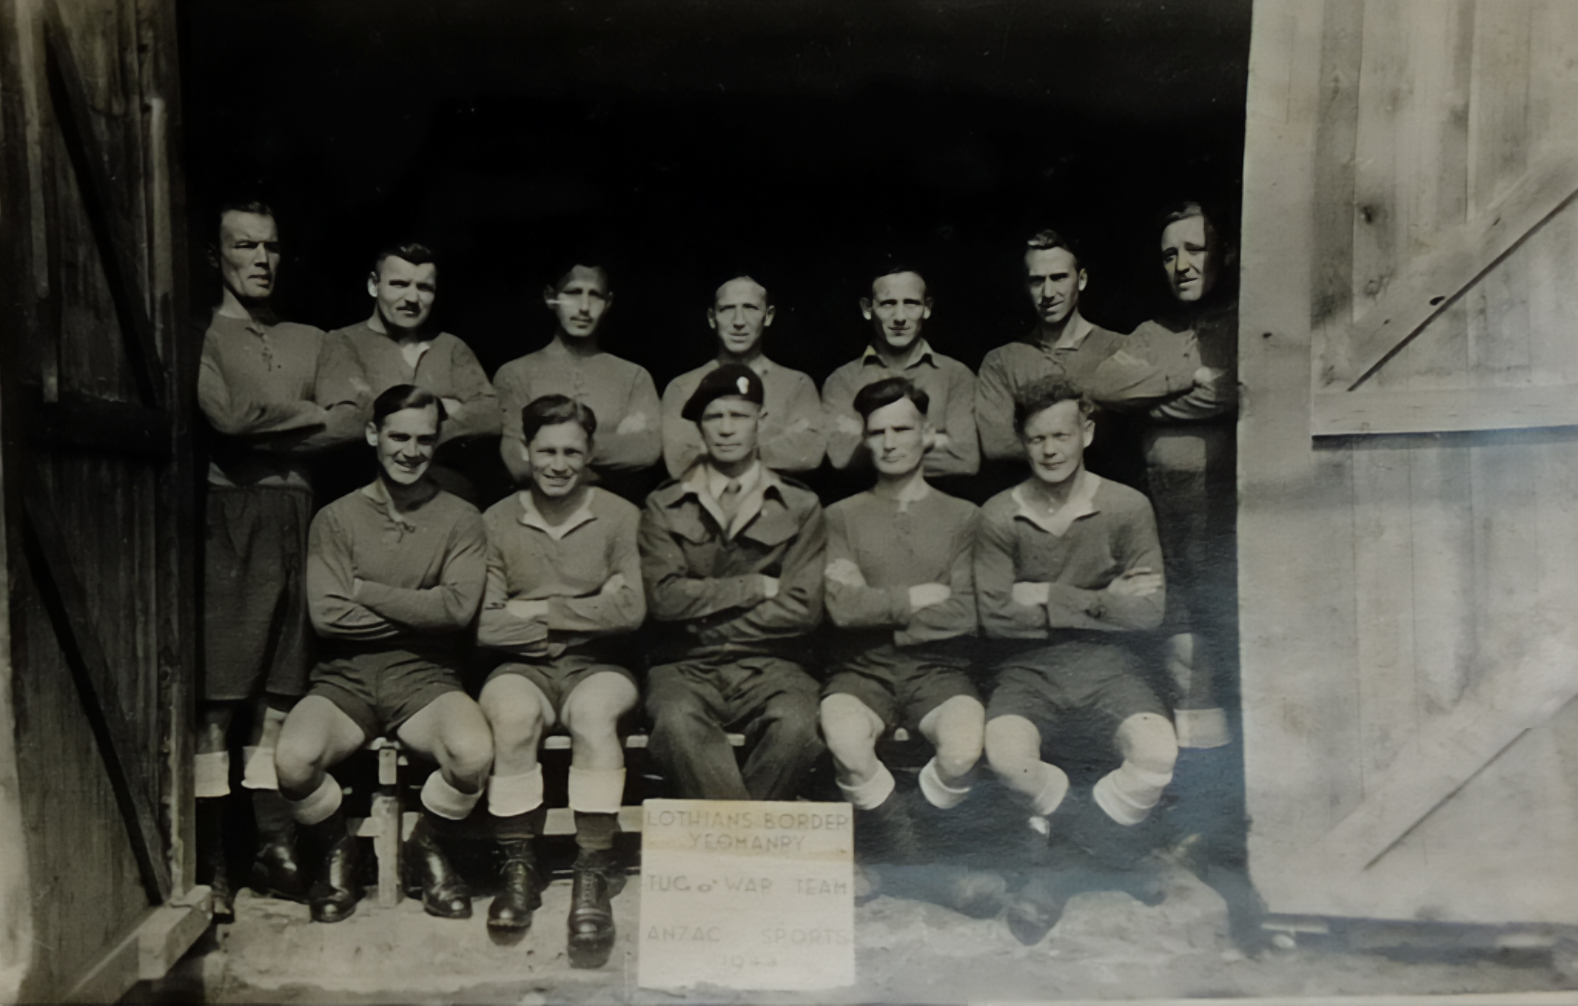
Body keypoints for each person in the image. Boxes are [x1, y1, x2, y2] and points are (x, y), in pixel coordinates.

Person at [1088, 200, 1262, 946]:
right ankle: (1200, 820)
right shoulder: (1154, 333)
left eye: (1195, 249)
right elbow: (1106, 387)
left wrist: (1168, 396)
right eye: (1169, 254)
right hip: (1174, 536)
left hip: (1241, 535)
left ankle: (1249, 832)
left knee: (1250, 669)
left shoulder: (1250, 317)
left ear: (1223, 254)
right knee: (1189, 667)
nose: (1183, 264)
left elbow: (1251, 392)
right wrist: (1194, 375)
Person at [195, 200, 369, 920]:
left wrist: (263, 430)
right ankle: (209, 862)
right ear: (219, 257)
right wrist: (305, 418)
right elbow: (222, 420)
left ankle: (272, 848)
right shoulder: (202, 335)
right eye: (244, 246)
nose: (261, 259)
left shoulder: (313, 336)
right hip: (231, 520)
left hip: (300, 516)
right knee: (219, 702)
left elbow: (355, 421)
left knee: (278, 697)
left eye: (270, 246)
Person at [274, 385, 494, 924]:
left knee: (472, 755)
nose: (411, 451)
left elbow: (458, 610)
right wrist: (422, 606)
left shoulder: (462, 518)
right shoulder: (335, 518)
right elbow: (328, 616)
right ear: (374, 436)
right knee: (292, 761)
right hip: (344, 676)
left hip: (427, 675)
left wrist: (367, 590)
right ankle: (336, 850)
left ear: (437, 442)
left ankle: (429, 844)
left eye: (424, 439)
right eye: (399, 436)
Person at [975, 378, 1174, 946]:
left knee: (1156, 751)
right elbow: (995, 618)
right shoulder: (997, 516)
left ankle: (1057, 871)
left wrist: (1046, 594)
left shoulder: (1126, 506)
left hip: (1111, 666)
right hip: (1027, 670)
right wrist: (1105, 598)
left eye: (1062, 434)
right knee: (1008, 757)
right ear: (1022, 441)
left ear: (1086, 432)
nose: (1051, 450)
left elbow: (1150, 612)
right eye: (1036, 438)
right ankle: (1111, 853)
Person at [820, 377, 1002, 916]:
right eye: (878, 432)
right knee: (846, 738)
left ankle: (893, 861)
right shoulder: (840, 516)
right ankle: (928, 868)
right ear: (865, 440)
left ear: (928, 434)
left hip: (940, 671)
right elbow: (840, 610)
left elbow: (967, 612)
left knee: (965, 745)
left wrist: (876, 603)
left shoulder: (965, 517)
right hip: (861, 670)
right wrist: (918, 597)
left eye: (903, 428)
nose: (892, 441)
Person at [476, 395, 645, 966]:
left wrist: (533, 610)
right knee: (513, 715)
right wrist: (581, 608)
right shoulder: (496, 518)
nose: (557, 463)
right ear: (525, 451)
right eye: (546, 450)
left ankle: (593, 873)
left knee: (596, 717)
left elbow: (630, 613)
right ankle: (519, 867)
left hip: (599, 663)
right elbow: (485, 622)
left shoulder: (621, 515)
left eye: (572, 450)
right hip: (522, 665)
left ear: (590, 452)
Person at [639, 364, 825, 802]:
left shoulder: (799, 505)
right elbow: (664, 599)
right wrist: (755, 586)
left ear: (761, 421)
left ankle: (729, 850)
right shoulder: (664, 504)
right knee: (675, 723)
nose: (726, 429)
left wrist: (702, 618)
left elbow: (802, 607)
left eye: (738, 416)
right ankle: (749, 851)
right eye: (713, 417)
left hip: (774, 665)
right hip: (684, 667)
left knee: (799, 724)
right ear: (699, 426)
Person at [327, 242, 501, 499]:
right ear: (374, 285)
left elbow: (491, 416)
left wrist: (407, 424)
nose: (412, 299)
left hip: (447, 495)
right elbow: (351, 418)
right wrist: (444, 408)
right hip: (370, 494)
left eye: (424, 287)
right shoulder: (343, 342)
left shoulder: (450, 347)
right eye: (399, 284)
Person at [495, 263, 662, 499]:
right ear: (551, 298)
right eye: (573, 293)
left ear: (608, 303)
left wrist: (547, 448)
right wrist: (609, 451)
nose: (584, 307)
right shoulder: (515, 374)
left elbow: (647, 450)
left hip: (610, 512)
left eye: (594, 295)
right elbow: (518, 463)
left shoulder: (633, 376)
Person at [975, 229, 1131, 463]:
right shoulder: (1002, 361)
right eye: (1037, 281)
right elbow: (998, 445)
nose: (1048, 293)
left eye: (1058, 278)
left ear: (1081, 280)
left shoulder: (1120, 349)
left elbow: (1128, 440)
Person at [660, 274, 825, 479]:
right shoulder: (683, 387)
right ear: (712, 318)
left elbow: (809, 454)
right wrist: (770, 443)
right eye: (727, 309)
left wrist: (716, 449)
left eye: (750, 308)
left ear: (768, 316)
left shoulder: (797, 385)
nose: (739, 321)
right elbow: (681, 462)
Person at [822, 266, 979, 480]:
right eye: (888, 304)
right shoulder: (841, 380)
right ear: (867, 309)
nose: (900, 317)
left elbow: (965, 459)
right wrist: (933, 440)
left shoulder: (956, 375)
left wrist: (868, 439)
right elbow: (840, 458)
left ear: (927, 307)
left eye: (911, 303)